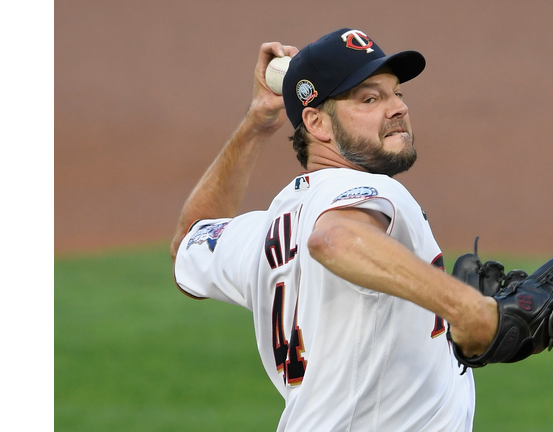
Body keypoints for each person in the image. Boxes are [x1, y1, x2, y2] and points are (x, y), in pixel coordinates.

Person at [170, 28, 499, 431]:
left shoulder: (269, 229)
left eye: (397, 93)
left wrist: (258, 122)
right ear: (316, 123)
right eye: (370, 99)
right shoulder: (367, 189)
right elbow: (335, 240)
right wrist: (466, 308)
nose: (398, 108)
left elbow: (189, 238)